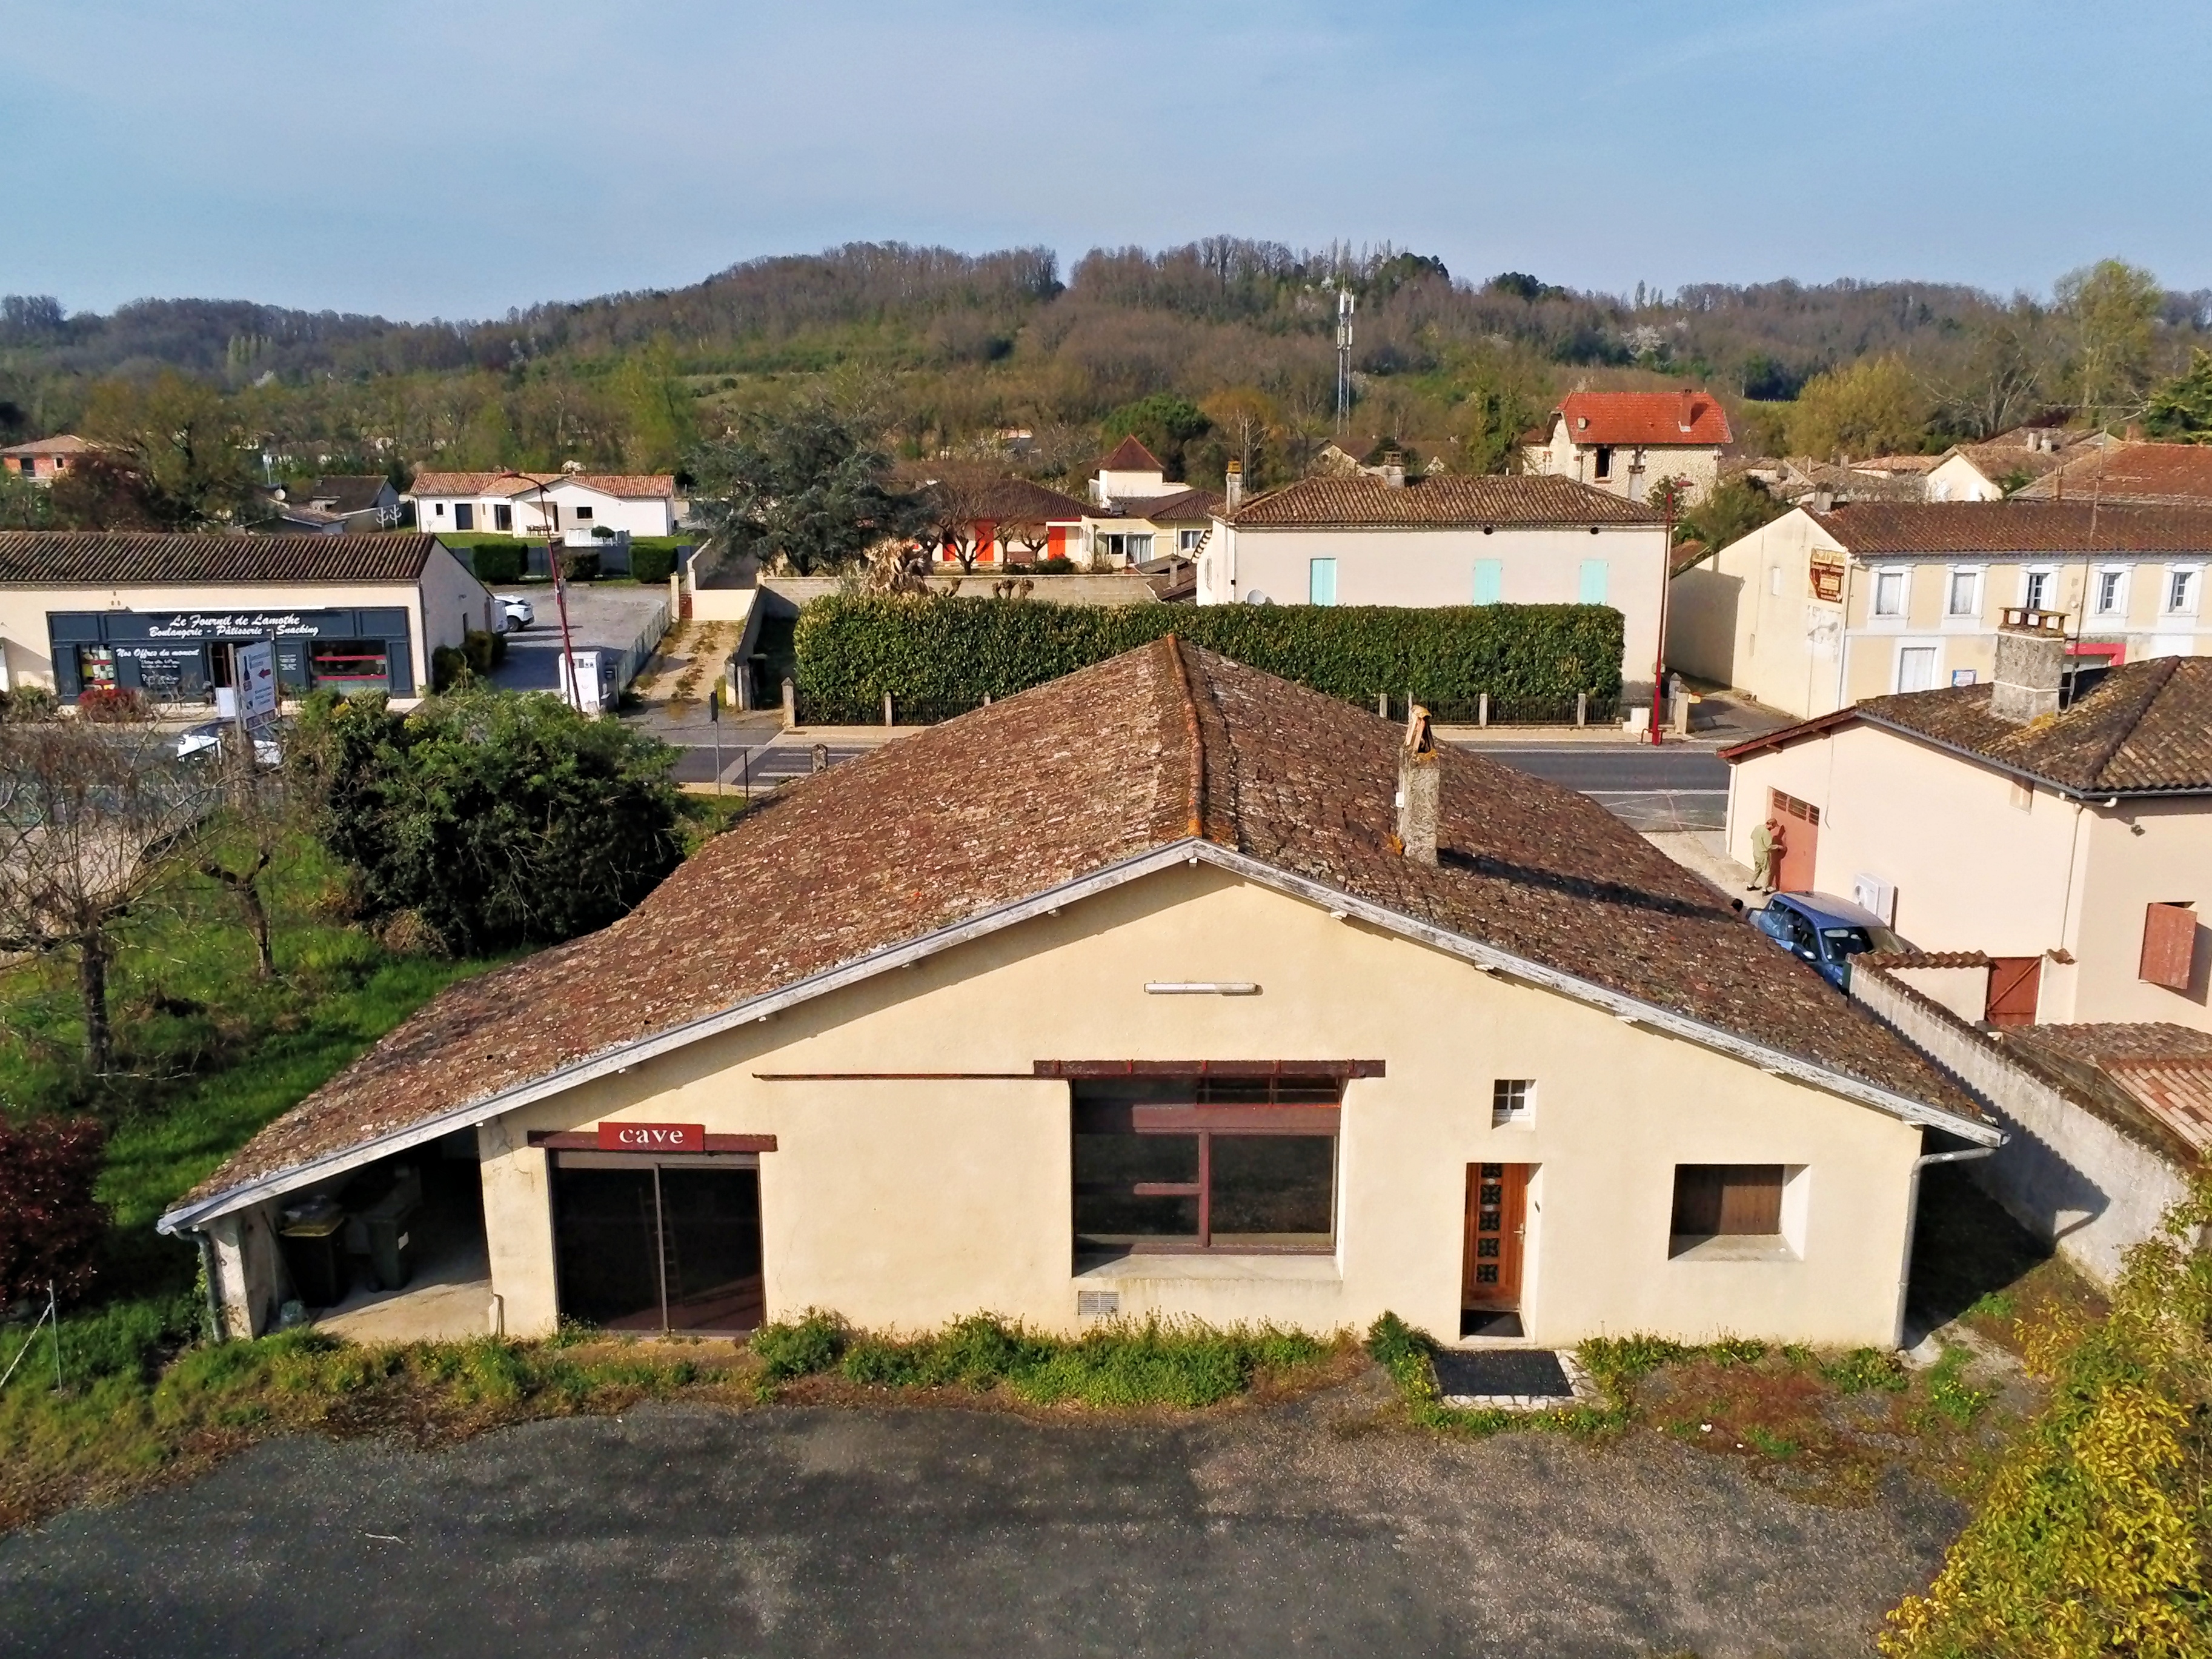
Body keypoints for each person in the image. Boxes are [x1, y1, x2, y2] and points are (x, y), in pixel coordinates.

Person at [1749, 814, 1785, 893]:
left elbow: (1752, 837)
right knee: (1767, 871)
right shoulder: (1767, 833)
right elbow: (1768, 847)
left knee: (1757, 870)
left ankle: (1750, 885)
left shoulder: (1758, 827)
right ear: (1771, 825)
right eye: (1774, 827)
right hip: (1763, 854)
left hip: (1756, 852)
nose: (1773, 829)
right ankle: (1765, 890)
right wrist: (1778, 847)